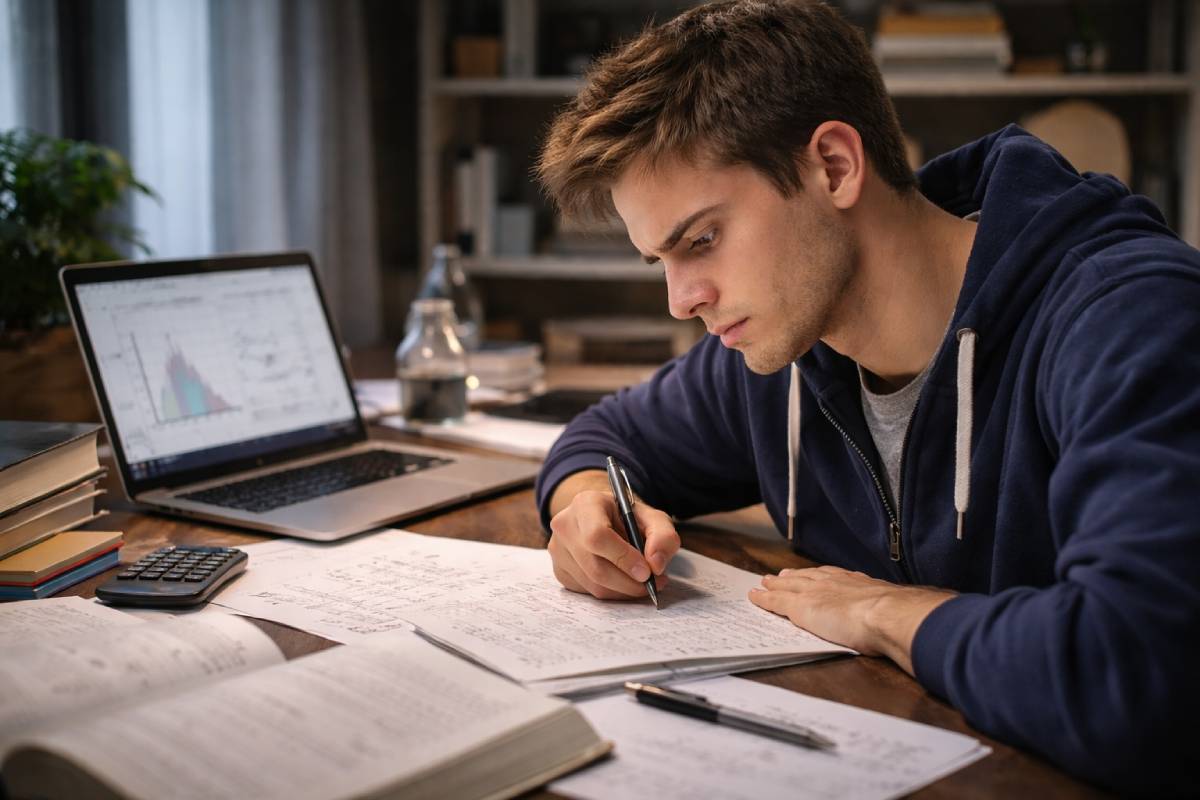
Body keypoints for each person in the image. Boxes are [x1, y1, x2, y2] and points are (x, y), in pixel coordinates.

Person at [532, 0, 1200, 794]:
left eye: (702, 239)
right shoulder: (783, 345)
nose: (681, 300)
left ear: (835, 167)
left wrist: (888, 613)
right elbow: (605, 437)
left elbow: (1137, 678)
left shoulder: (1128, 319)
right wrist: (582, 505)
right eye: (661, 262)